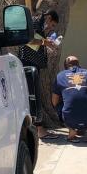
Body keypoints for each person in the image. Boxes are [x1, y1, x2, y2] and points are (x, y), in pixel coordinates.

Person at [21, 10, 61, 140]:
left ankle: (36, 127)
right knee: (33, 95)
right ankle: (39, 129)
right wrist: (45, 42)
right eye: (52, 24)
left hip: (33, 63)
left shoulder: (38, 24)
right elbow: (28, 40)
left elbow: (36, 41)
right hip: (28, 63)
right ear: (48, 17)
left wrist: (46, 41)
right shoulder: (35, 22)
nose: (51, 27)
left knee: (34, 94)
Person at [51, 55, 87, 142]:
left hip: (69, 118)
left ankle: (72, 133)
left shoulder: (60, 76)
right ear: (79, 64)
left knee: (59, 104)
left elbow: (54, 101)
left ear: (65, 66)